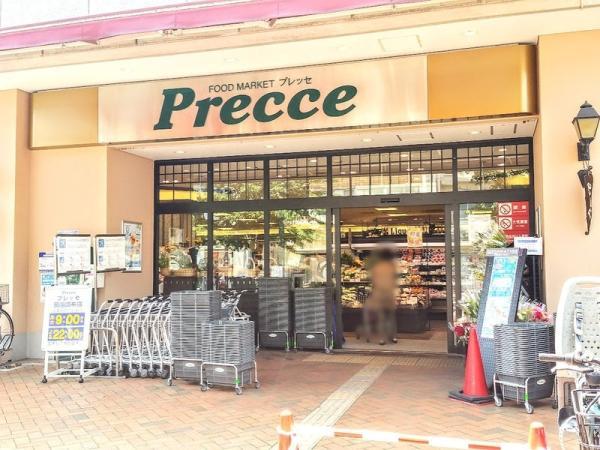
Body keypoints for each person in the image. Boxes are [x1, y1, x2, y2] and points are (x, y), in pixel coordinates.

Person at [364, 247, 398, 345]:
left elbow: (373, 281)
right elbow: (394, 281)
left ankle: (382, 338)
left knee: (381, 318)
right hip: (389, 294)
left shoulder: (376, 267)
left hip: (379, 294)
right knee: (391, 317)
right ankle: (393, 337)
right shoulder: (392, 266)